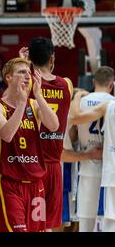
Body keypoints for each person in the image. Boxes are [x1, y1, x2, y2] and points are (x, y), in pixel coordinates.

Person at [0, 57, 59, 232]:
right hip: (10, 183)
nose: (27, 75)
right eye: (21, 72)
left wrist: (39, 95)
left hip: (36, 183)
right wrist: (20, 105)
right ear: (8, 78)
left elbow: (54, 125)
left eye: (29, 72)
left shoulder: (34, 104)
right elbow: (7, 135)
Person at [19, 37, 73, 231]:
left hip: (33, 166)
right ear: (52, 59)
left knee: (31, 224)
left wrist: (23, 65)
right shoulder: (66, 84)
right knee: (49, 225)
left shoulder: (25, 84)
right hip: (54, 165)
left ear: (30, 59)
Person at [69, 66, 115, 232]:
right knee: (109, 222)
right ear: (111, 85)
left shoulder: (80, 102)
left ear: (93, 81)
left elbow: (73, 135)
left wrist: (77, 96)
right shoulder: (111, 103)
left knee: (86, 225)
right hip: (108, 167)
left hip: (87, 166)